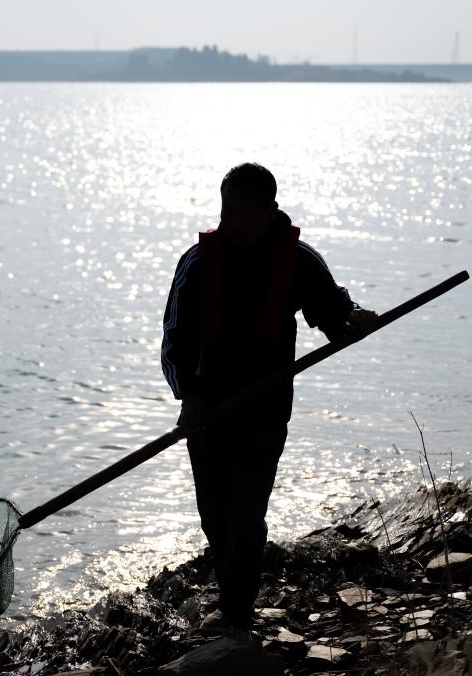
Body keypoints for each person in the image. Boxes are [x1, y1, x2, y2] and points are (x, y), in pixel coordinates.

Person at [160, 162, 377, 640]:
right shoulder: (199, 264)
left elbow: (333, 313)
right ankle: (234, 598)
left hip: (264, 410)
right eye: (226, 211)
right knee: (215, 516)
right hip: (209, 412)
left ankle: (236, 613)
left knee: (245, 513)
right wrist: (189, 397)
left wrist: (354, 320)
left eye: (244, 213)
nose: (234, 223)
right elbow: (174, 338)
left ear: (269, 211)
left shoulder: (296, 259)